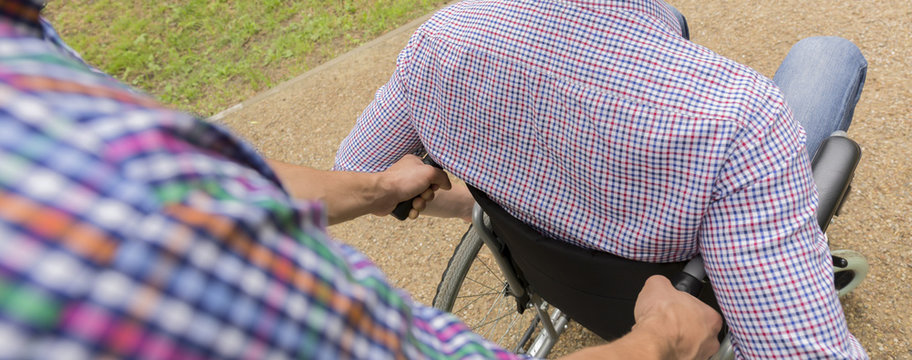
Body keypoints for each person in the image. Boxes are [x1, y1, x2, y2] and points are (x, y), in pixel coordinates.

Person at [0, 1, 722, 358]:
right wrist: (656, 339)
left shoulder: (443, 40)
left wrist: (382, 189)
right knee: (818, 67)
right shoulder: (93, 199)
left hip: (545, 251)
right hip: (663, 267)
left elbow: (326, 169)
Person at [332, 0, 868, 358]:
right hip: (679, 288)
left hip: (552, 270)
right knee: (830, 55)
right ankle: (785, 248)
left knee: (668, 16)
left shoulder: (442, 38)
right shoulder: (739, 116)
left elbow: (356, 169)